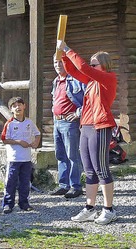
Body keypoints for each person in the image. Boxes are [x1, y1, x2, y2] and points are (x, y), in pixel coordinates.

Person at [57, 41, 119, 225]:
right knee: (89, 171)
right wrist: (63, 56)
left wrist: (68, 49)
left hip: (101, 126)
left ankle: (109, 209)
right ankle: (90, 208)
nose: (90, 67)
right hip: (87, 126)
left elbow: (83, 67)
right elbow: (74, 71)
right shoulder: (92, 82)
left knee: (101, 169)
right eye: (91, 64)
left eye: (94, 64)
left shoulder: (108, 78)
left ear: (104, 65)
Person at [48, 53, 86, 199]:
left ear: (67, 63)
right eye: (55, 62)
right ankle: (64, 185)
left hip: (70, 123)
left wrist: (78, 113)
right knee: (60, 155)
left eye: (60, 62)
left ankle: (75, 186)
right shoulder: (56, 81)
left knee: (72, 155)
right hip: (57, 121)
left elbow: (88, 100)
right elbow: (55, 99)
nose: (57, 65)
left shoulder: (76, 80)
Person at [1, 97, 41, 214]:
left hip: (27, 158)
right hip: (14, 158)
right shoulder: (10, 123)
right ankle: (8, 204)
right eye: (14, 106)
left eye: (20, 104)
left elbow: (37, 134)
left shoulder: (29, 122)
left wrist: (36, 142)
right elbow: (4, 139)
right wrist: (18, 142)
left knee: (25, 181)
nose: (17, 107)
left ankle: (24, 203)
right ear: (11, 109)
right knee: (10, 182)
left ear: (24, 106)